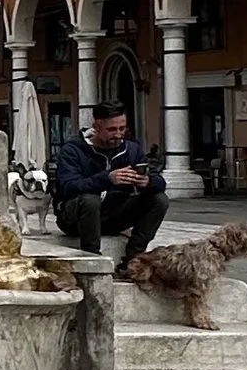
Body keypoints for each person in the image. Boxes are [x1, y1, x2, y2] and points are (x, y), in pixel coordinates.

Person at [50, 103, 166, 265]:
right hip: (75, 218)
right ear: (97, 126)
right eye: (112, 130)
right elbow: (69, 187)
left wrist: (147, 181)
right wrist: (107, 179)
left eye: (122, 128)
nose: (118, 135)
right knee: (90, 199)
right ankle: (93, 259)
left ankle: (134, 258)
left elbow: (160, 182)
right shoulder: (73, 150)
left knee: (159, 199)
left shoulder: (132, 149)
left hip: (114, 215)